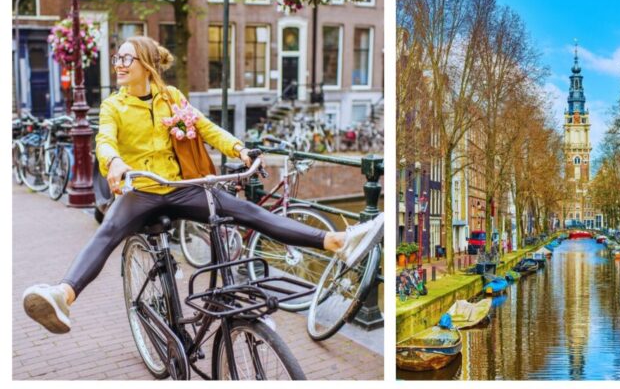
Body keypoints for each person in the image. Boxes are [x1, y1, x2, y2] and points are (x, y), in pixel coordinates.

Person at [22, 36, 384, 334]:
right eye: (117, 57)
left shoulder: (172, 98)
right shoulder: (112, 106)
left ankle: (335, 241)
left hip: (181, 186)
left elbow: (206, 127)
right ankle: (63, 296)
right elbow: (105, 141)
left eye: (125, 58)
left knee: (245, 210)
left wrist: (240, 150)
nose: (117, 63)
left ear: (146, 64)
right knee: (109, 230)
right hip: (143, 190)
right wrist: (115, 163)